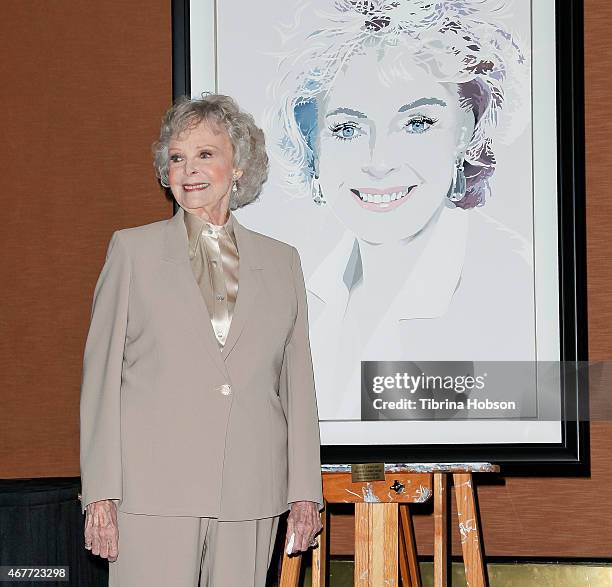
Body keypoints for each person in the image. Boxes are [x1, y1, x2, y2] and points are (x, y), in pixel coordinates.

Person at [80, 94, 323, 586]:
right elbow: (99, 380)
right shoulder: (132, 251)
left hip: (251, 490)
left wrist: (305, 493)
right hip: (151, 490)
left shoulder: (283, 262)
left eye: (205, 154)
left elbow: (297, 383)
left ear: (239, 167)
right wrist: (101, 492)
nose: (188, 170)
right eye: (176, 157)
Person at [268, 0, 535, 421]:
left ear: (468, 132)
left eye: (416, 123)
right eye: (347, 128)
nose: (378, 161)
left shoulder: (521, 287)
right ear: (314, 147)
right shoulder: (297, 296)